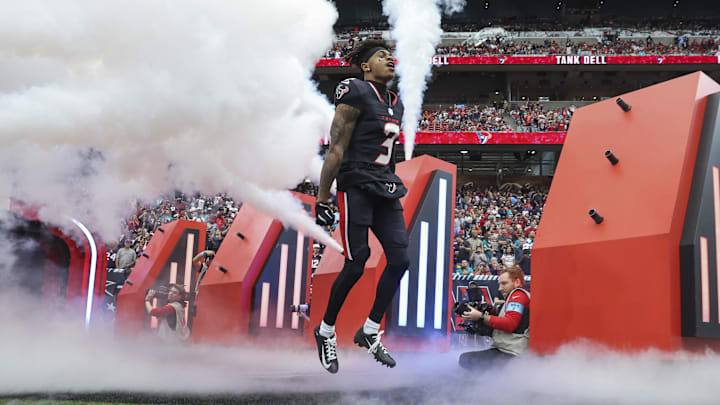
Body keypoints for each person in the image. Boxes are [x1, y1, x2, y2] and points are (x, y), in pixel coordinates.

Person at [313, 39, 407, 374]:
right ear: (366, 66)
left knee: (400, 260)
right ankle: (325, 331)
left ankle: (369, 330)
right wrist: (322, 197)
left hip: (385, 184)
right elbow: (337, 146)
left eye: (390, 55)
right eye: (382, 56)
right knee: (357, 261)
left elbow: (389, 153)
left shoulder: (395, 102)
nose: (390, 59)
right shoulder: (354, 89)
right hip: (356, 183)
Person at [458, 266, 530, 369]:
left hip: (512, 354)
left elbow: (510, 324)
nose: (500, 288)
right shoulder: (511, 299)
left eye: (504, 283)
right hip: (506, 350)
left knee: (466, 359)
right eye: (499, 284)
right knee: (466, 358)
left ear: (517, 282)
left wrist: (481, 316)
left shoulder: (518, 295)